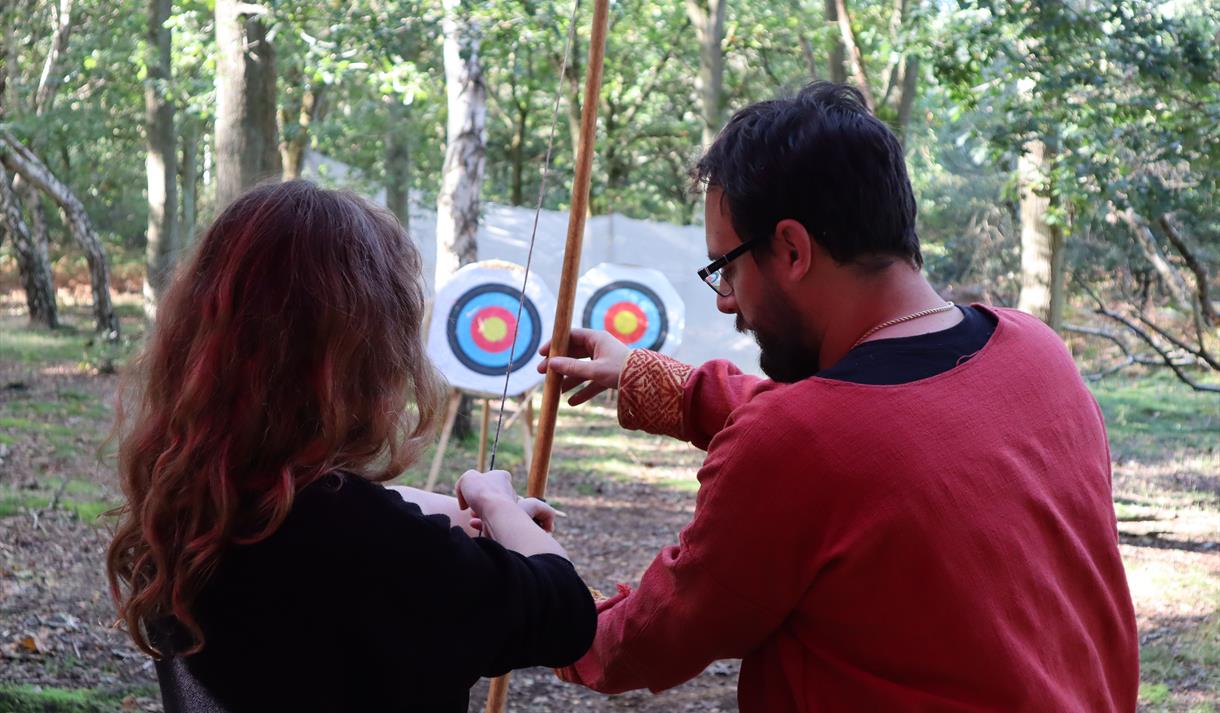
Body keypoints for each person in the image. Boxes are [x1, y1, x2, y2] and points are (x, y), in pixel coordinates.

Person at [542, 82, 1138, 711]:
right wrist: (649, 378)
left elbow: (653, 640)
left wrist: (538, 591)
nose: (725, 298)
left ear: (793, 250)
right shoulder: (1036, 351)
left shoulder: (800, 444)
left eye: (728, 267)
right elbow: (871, 441)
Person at [106, 181, 595, 713]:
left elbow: (326, 511)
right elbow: (566, 612)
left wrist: (440, 512)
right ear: (364, 355)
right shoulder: (377, 551)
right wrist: (495, 500)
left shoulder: (187, 499)